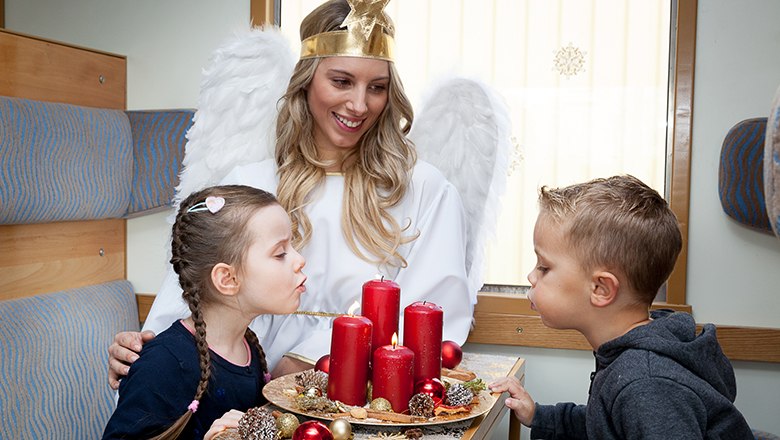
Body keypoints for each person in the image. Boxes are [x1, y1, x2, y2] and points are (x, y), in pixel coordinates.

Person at [109, 0, 475, 386]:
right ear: (307, 80)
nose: (359, 104)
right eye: (341, 81)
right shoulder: (251, 185)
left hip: (364, 395)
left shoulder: (423, 189)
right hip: (241, 386)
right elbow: (194, 297)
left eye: (377, 88)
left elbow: (435, 316)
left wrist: (312, 358)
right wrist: (144, 350)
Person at [489, 175, 753, 439]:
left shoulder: (647, 385)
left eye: (544, 267)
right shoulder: (631, 355)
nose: (532, 277)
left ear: (601, 289)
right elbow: (607, 423)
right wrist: (539, 416)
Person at [103, 185, 307, 439]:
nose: (300, 260)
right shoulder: (163, 365)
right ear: (227, 278)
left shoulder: (248, 348)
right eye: (280, 253)